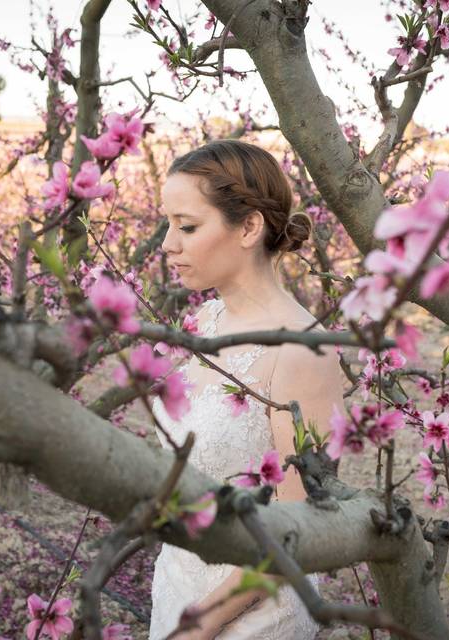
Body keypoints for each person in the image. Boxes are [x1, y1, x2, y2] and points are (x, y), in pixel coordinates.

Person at [149, 140, 346, 639]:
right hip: (177, 582)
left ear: (249, 227)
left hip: (249, 617)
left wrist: (200, 627)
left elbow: (297, 526)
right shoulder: (206, 319)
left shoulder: (304, 351)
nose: (167, 244)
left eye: (187, 226)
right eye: (168, 224)